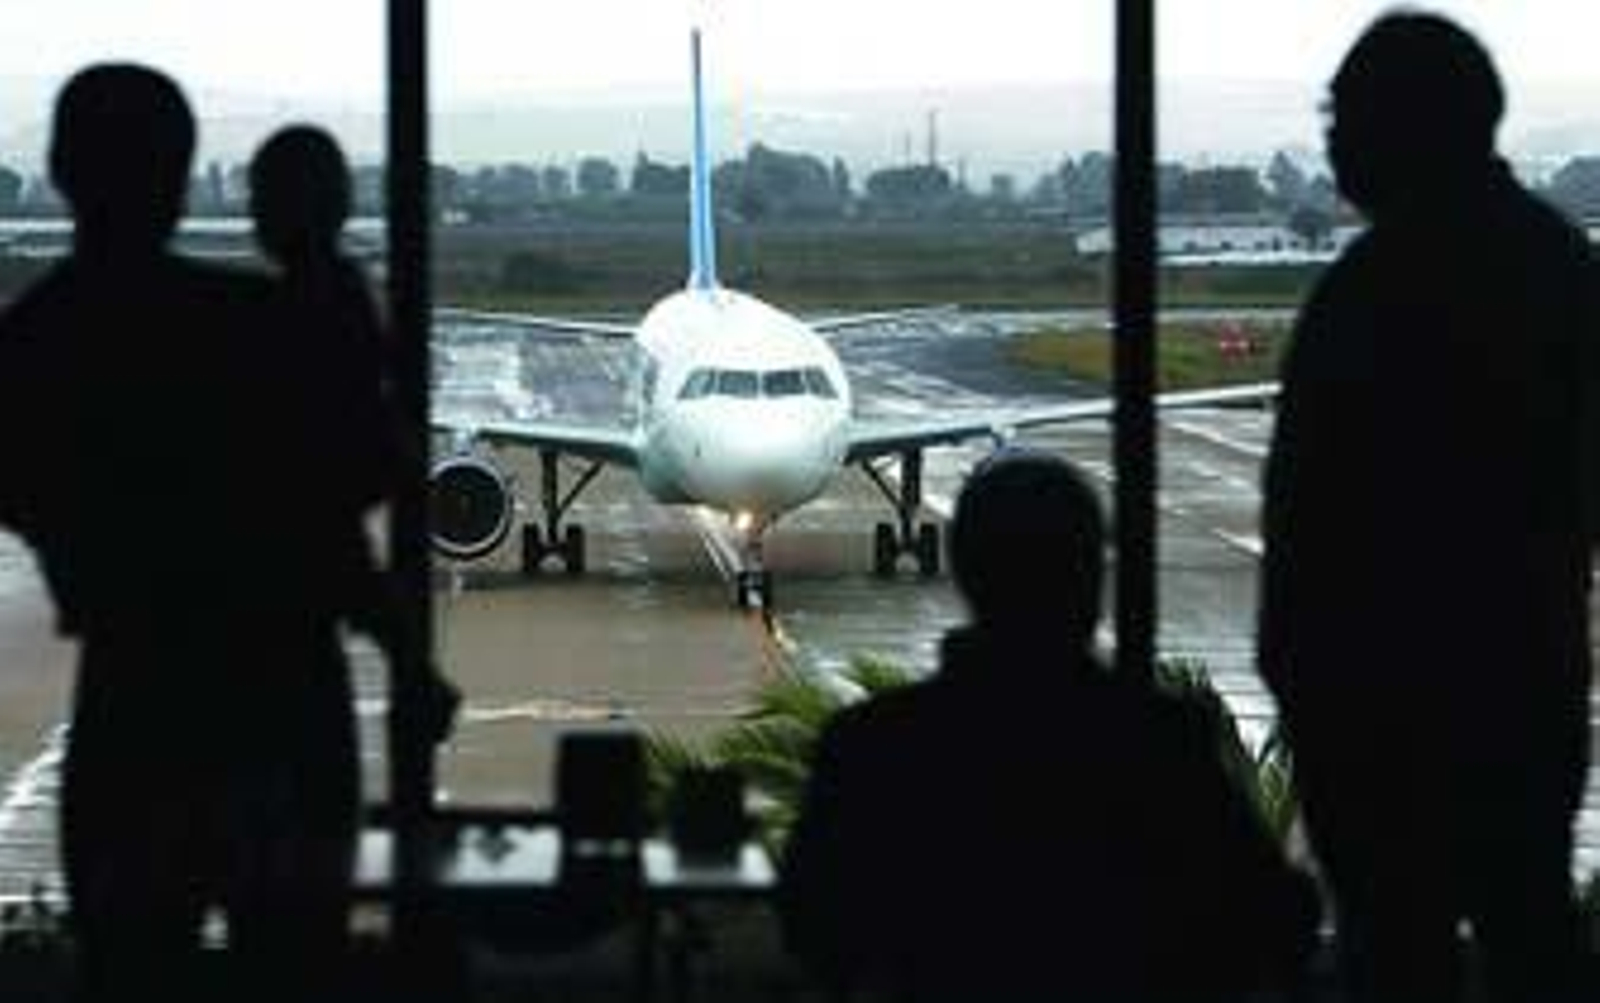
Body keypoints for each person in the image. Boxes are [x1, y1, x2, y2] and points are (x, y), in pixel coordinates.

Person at [0, 65, 454, 1003]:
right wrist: (406, 655)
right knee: (293, 965)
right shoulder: (253, 322)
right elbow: (355, 499)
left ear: (58, 171)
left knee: (132, 965)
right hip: (281, 710)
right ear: (183, 174)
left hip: (137, 704)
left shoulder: (34, 342)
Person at [1257, 12, 1598, 1003]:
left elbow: (1307, 519)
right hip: (1521, 698)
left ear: (1404, 127)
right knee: (1527, 931)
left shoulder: (1366, 295)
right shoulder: (1559, 272)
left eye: (1341, 115)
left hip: (1379, 719)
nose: (1329, 141)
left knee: (1393, 950)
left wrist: (1304, 687)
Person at [780, 449, 1320, 1002]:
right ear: (1090, 578)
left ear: (964, 571)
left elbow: (811, 927)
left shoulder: (873, 744)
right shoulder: (1162, 740)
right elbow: (1275, 919)